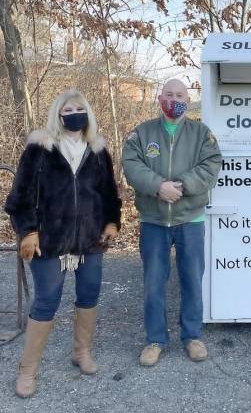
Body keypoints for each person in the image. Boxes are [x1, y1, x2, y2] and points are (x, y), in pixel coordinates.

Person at [5, 89, 122, 398]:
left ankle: (81, 352)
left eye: (78, 108)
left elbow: (110, 193)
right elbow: (19, 198)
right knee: (46, 302)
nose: (73, 114)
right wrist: (28, 231)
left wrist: (112, 221)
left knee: (89, 295)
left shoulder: (98, 151)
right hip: (49, 241)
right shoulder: (40, 149)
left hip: (90, 240)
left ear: (88, 114)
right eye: (67, 109)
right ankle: (27, 370)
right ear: (58, 114)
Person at [122, 79, 222, 366]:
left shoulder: (201, 134)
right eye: (169, 94)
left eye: (179, 95)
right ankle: (155, 340)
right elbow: (131, 164)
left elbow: (211, 164)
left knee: (192, 280)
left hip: (190, 219)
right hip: (154, 220)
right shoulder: (142, 133)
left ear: (188, 101)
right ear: (159, 98)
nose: (174, 99)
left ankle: (192, 337)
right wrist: (157, 186)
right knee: (154, 282)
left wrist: (182, 185)